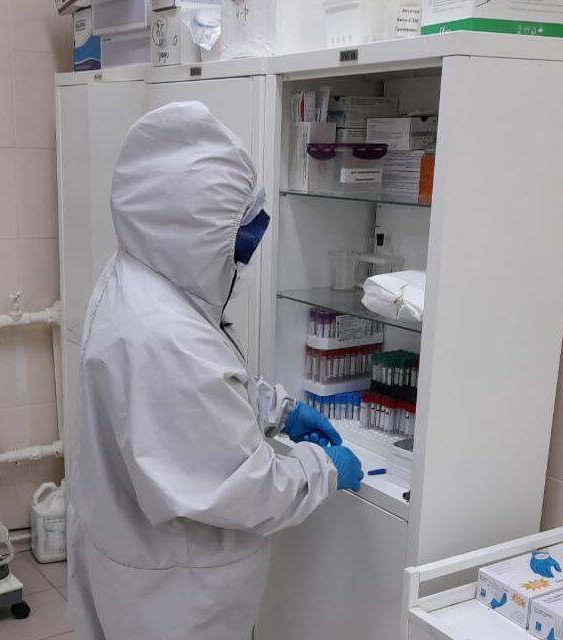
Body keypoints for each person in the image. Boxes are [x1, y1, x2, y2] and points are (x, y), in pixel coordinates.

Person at [67, 101, 363, 640]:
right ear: (194, 227)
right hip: (177, 595)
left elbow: (197, 401)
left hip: (140, 564)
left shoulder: (140, 279)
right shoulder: (162, 337)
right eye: (238, 238)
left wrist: (277, 410)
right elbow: (244, 487)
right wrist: (321, 468)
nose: (242, 258)